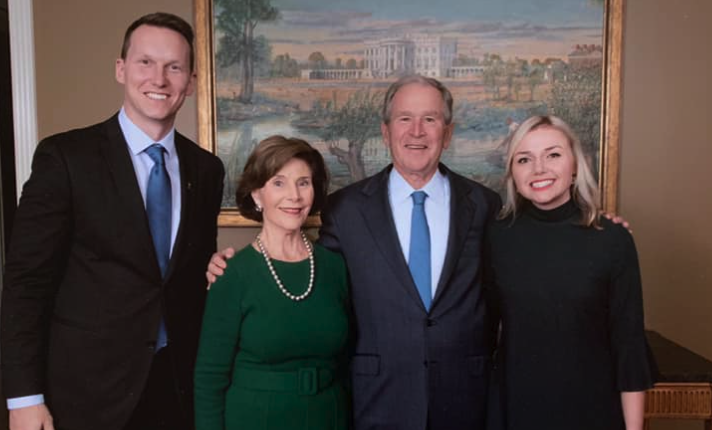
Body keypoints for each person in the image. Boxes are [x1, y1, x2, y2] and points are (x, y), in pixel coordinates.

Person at [208, 75, 502, 430]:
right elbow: (310, 277)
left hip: (464, 399)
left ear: (448, 132)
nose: (417, 131)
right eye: (405, 119)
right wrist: (232, 269)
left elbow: (502, 294)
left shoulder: (484, 205)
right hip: (376, 402)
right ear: (385, 131)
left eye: (430, 119)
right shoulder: (345, 209)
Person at [0, 12, 224, 430]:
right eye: (145, 62)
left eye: (173, 67)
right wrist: (24, 397)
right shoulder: (66, 159)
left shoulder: (207, 169)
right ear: (121, 69)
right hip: (86, 394)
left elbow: (187, 276)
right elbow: (25, 283)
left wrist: (216, 271)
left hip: (177, 390)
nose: (159, 79)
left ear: (191, 82)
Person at [488, 115, 654, 430]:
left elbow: (628, 346)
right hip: (515, 409)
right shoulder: (495, 237)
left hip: (593, 410)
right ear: (512, 170)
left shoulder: (612, 239)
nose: (539, 168)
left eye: (553, 154)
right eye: (525, 159)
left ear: (575, 164)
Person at [194, 136, 350, 430]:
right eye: (279, 183)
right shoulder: (232, 273)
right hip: (256, 419)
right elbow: (209, 378)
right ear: (256, 194)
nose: (294, 195)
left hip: (329, 417)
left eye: (303, 182)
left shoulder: (334, 266)